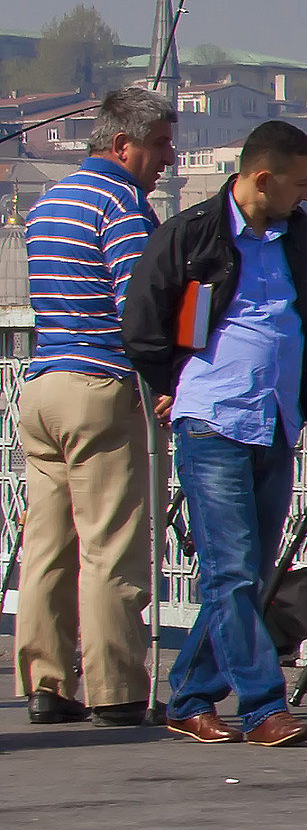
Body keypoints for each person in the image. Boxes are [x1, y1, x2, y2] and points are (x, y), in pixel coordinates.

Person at [121, 119, 307, 746]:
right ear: (261, 179)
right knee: (230, 571)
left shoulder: (296, 233)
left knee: (247, 575)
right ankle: (264, 707)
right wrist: (172, 383)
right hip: (213, 420)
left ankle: (189, 696)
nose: (306, 195)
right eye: (298, 183)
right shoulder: (190, 234)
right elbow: (143, 324)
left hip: (275, 419)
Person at [15, 86, 175, 726]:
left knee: (46, 548)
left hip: (42, 386)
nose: (168, 159)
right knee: (111, 546)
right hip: (102, 386)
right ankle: (116, 689)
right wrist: (164, 377)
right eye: (159, 145)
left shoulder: (49, 203)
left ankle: (46, 684)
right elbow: (140, 304)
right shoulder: (121, 206)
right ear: (123, 145)